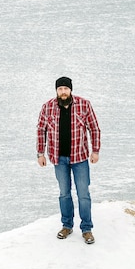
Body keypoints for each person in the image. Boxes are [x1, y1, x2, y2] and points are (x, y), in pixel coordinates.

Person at [37, 76, 101, 244]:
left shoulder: (84, 104)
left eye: (66, 89)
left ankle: (86, 228)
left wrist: (95, 151)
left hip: (79, 157)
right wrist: (40, 153)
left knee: (83, 194)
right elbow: (40, 130)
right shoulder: (48, 107)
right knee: (64, 194)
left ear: (70, 89)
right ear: (56, 90)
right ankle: (67, 225)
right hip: (58, 159)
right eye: (60, 89)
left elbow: (94, 128)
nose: (63, 92)